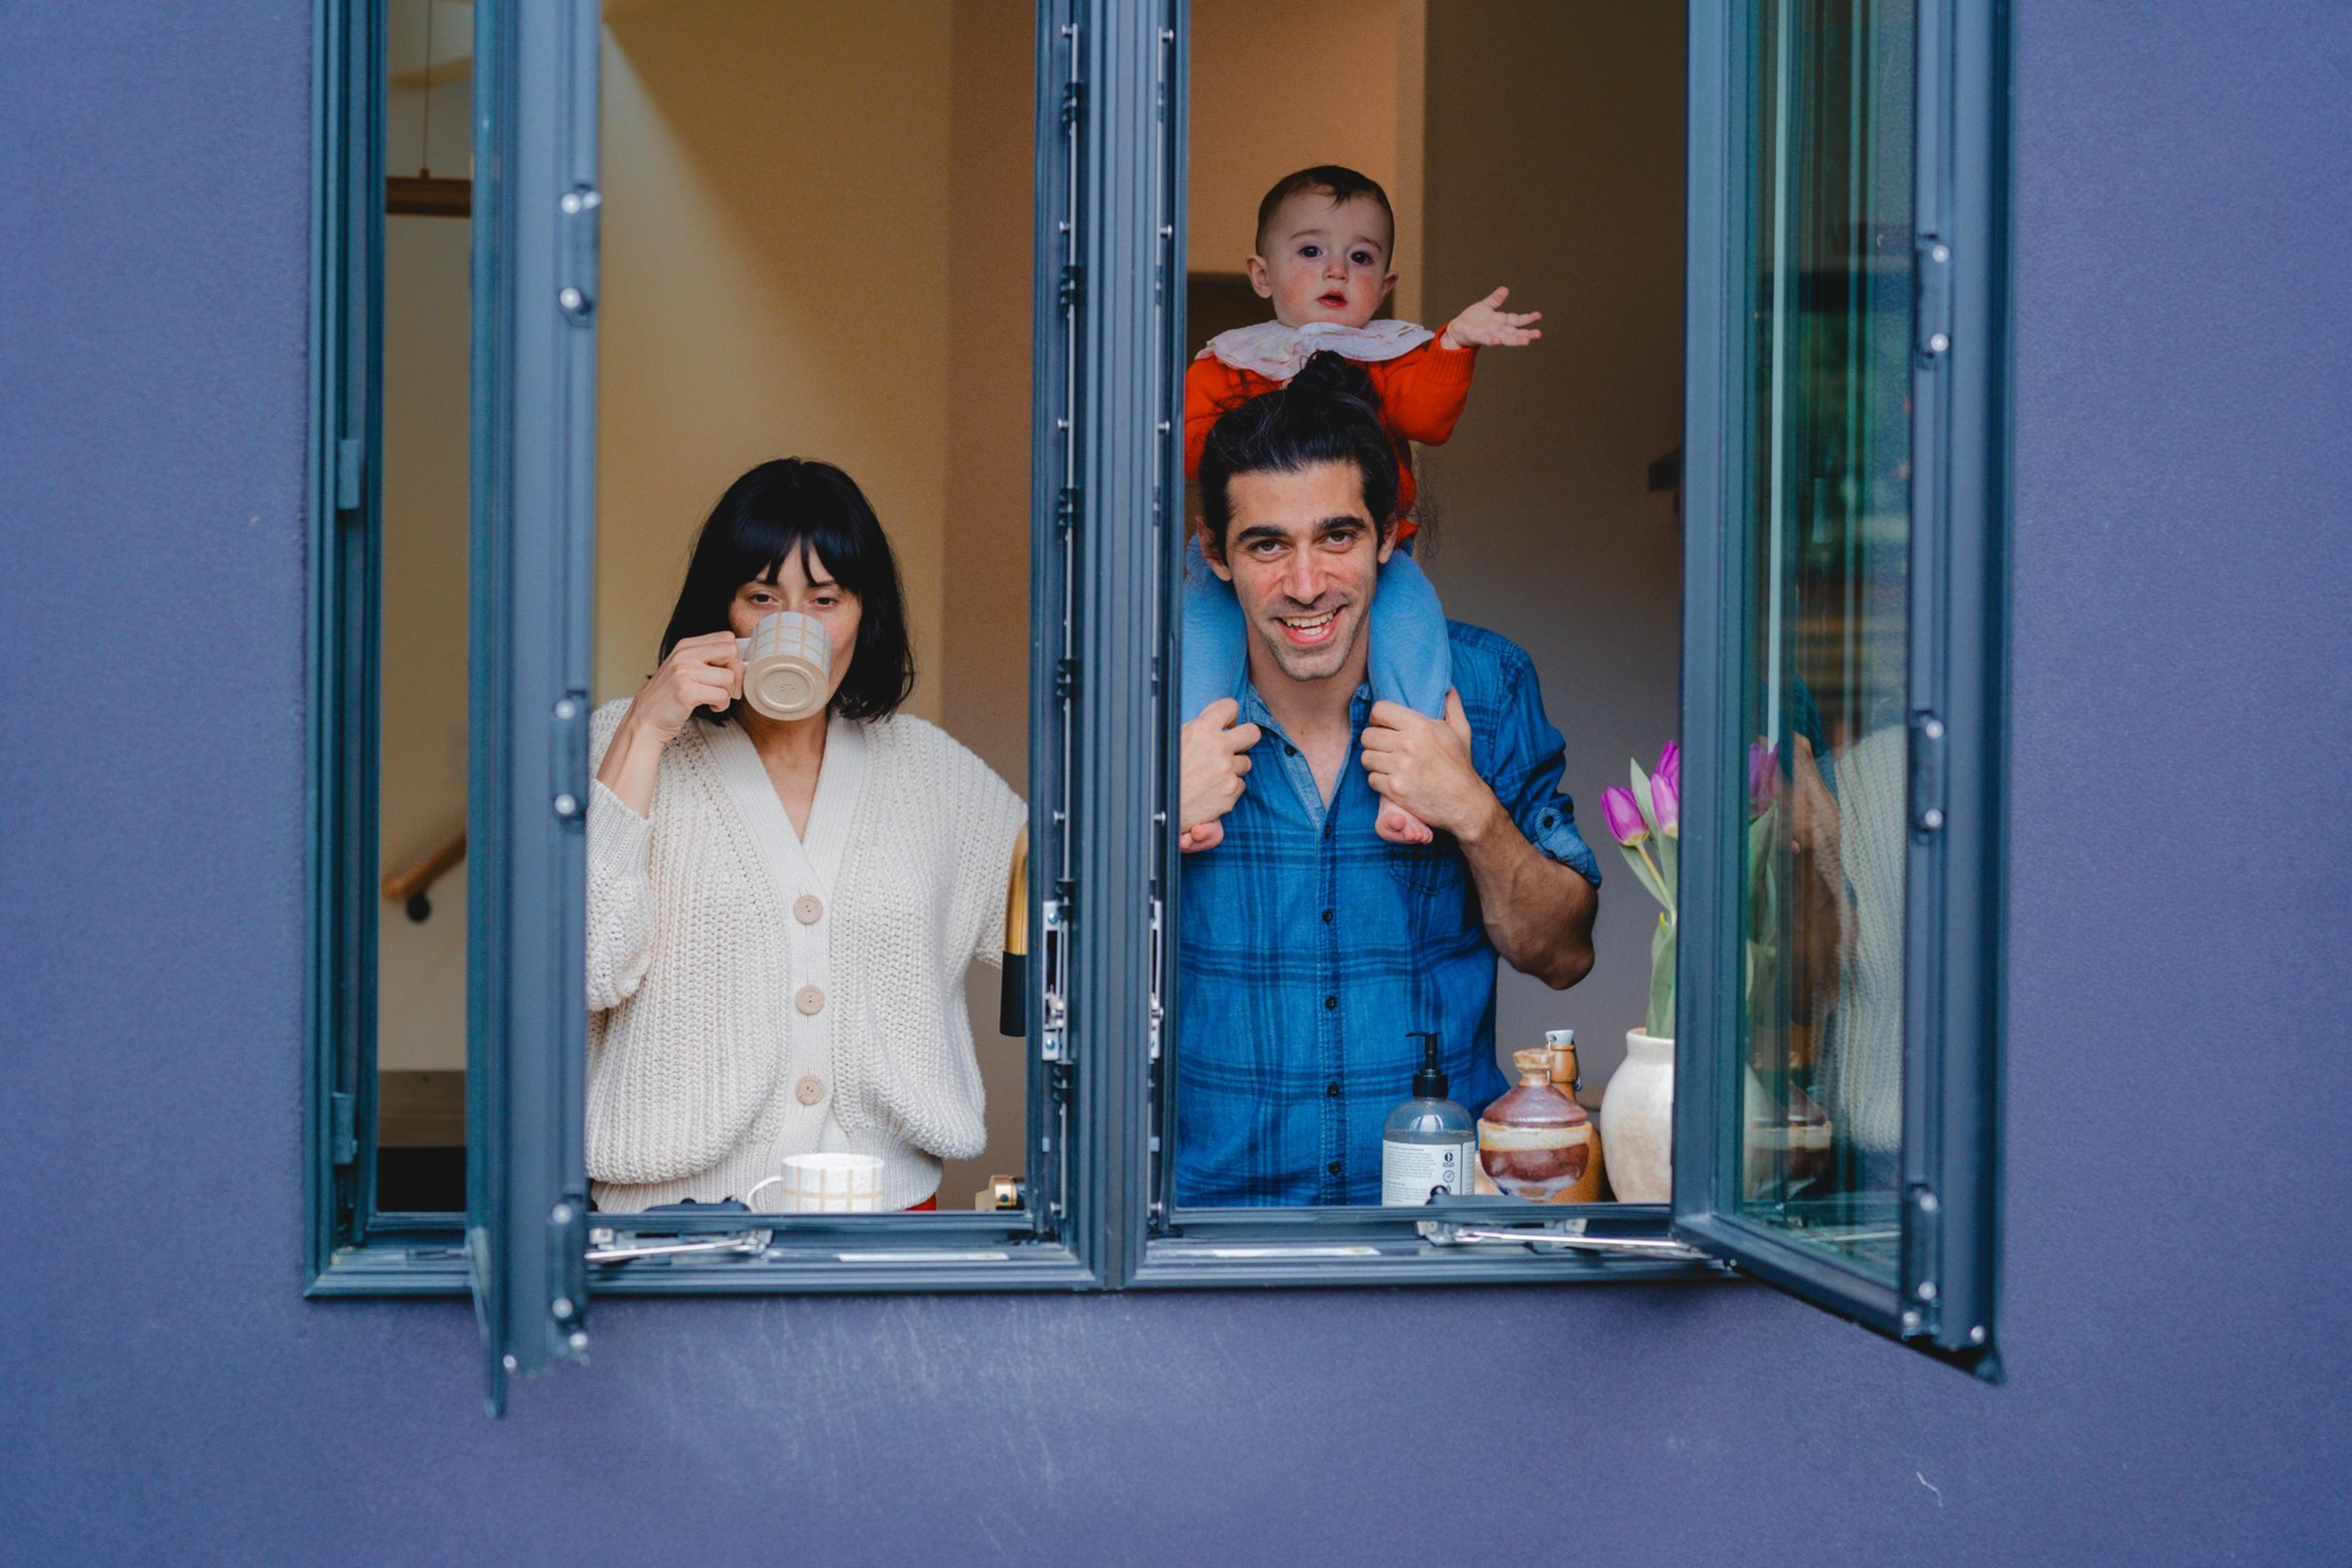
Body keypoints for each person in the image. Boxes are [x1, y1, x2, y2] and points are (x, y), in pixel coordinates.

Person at [1176, 353, 1601, 1207]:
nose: (1306, 586)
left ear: (1386, 539)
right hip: (1205, 1235)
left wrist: (1471, 812)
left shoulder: (1483, 688)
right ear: (1215, 556)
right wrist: (1143, 827)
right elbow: (1046, 993)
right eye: (1266, 545)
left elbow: (1561, 955)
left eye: (1336, 537)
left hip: (1440, 1225)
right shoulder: (1141, 716)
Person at [584, 459, 1024, 1213]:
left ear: (864, 611)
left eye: (825, 599)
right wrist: (647, 729)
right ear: (721, 609)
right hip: (668, 1226)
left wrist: (1169, 798)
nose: (797, 626)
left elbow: (1063, 912)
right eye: (764, 597)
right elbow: (582, 969)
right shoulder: (622, 748)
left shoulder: (928, 771)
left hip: (881, 1215)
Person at [1182, 164, 1544, 846]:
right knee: (1199, 635)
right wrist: (1258, 419)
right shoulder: (1228, 362)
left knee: (1413, 630)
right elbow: (1190, 449)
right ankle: (1195, 778)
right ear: (1261, 275)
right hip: (1227, 567)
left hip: (1389, 555)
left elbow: (1430, 416)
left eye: (1360, 257)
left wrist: (1455, 344)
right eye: (1310, 252)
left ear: (1386, 285)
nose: (1335, 273)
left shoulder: (1384, 357)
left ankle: (1411, 788)